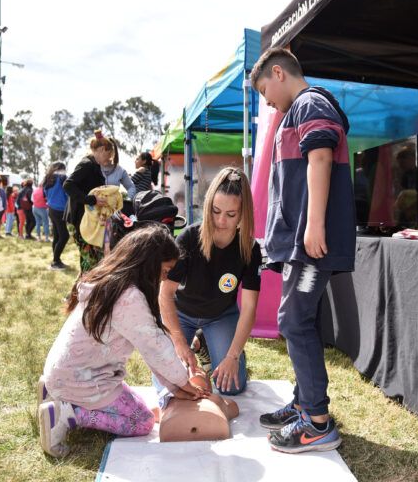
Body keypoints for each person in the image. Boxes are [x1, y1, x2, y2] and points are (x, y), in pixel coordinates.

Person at [250, 47, 355, 453]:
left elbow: (321, 157)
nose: (266, 101)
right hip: (300, 243)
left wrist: (313, 225)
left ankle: (317, 422)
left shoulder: (310, 103)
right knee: (301, 322)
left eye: (264, 91)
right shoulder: (292, 114)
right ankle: (303, 403)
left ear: (279, 73)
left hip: (313, 243)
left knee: (293, 323)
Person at [37, 224, 210, 458]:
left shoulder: (112, 281)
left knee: (141, 408)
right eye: (164, 272)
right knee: (143, 421)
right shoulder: (129, 298)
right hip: (83, 379)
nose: (163, 279)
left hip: (68, 371)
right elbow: (155, 347)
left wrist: (174, 386)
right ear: (149, 265)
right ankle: (67, 414)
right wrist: (183, 383)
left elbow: (151, 348)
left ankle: (55, 390)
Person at [157, 167, 261, 397]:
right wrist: (178, 342)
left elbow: (250, 308)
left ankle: (205, 343)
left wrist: (233, 356)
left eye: (231, 214)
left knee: (231, 387)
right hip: (181, 312)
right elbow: (164, 295)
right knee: (172, 385)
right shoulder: (188, 238)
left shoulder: (250, 249)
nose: (221, 221)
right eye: (215, 211)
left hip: (221, 315)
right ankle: (194, 343)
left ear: (243, 213)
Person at [63, 129, 116, 274]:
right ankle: (81, 293)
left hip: (86, 221)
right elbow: (68, 185)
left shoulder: (95, 166)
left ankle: (79, 293)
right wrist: (91, 199)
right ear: (102, 150)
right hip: (78, 220)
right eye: (109, 156)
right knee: (89, 262)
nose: (109, 160)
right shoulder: (87, 164)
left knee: (91, 260)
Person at [42, 162, 70, 270]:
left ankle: (57, 260)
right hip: (60, 210)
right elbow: (68, 193)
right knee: (64, 236)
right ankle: (55, 261)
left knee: (57, 236)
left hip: (51, 210)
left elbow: (45, 193)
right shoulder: (63, 178)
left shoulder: (47, 179)